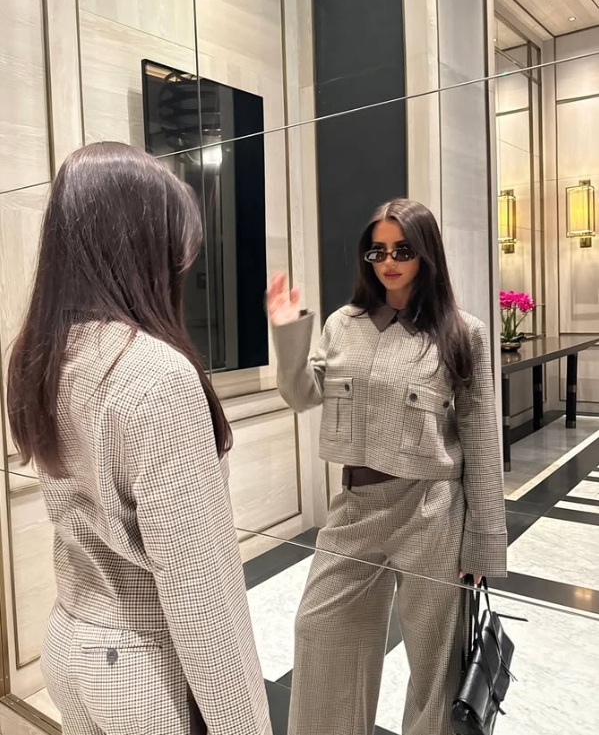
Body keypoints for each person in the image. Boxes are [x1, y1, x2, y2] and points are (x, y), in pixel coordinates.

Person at [8, 142, 272, 735]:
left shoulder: (39, 355)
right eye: (177, 248)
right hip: (144, 670)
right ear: (144, 246)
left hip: (70, 641)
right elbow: (200, 589)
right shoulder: (154, 373)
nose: (182, 266)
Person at [266, 198, 507, 735]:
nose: (389, 262)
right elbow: (302, 394)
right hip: (356, 505)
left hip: (432, 512)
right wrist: (286, 332)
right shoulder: (342, 325)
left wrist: (483, 544)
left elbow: (480, 440)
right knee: (320, 632)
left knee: (436, 667)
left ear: (426, 253)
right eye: (378, 251)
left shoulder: (461, 332)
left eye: (402, 250)